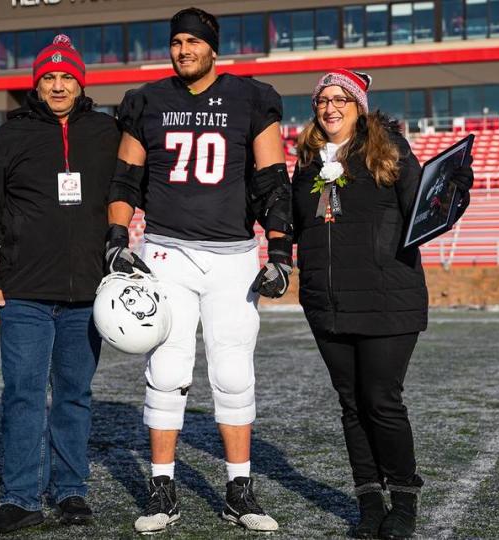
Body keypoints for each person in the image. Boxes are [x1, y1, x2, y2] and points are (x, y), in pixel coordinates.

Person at [106, 7, 292, 534]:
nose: (183, 49)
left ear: (213, 47)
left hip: (233, 256)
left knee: (233, 375)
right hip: (166, 253)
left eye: (194, 41)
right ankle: (162, 489)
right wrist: (117, 239)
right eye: (176, 41)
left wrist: (280, 251)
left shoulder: (251, 98)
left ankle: (239, 490)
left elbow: (272, 181)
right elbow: (125, 179)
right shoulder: (147, 101)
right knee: (167, 373)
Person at [290, 70, 473, 538]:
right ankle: (369, 500)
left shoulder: (389, 149)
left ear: (359, 106)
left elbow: (425, 212)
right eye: (323, 100)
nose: (330, 108)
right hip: (326, 302)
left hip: (387, 299)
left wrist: (454, 187)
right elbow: (295, 222)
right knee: (351, 404)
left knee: (382, 401)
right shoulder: (308, 160)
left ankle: (404, 501)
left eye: (341, 100)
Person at [0, 34, 120, 535]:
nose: (58, 85)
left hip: (87, 295)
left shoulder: (106, 132)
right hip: (24, 293)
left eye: (67, 77)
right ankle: (20, 497)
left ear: (81, 82)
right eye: (49, 77)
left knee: (75, 395)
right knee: (24, 395)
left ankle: (71, 491)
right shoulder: (8, 137)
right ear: (37, 83)